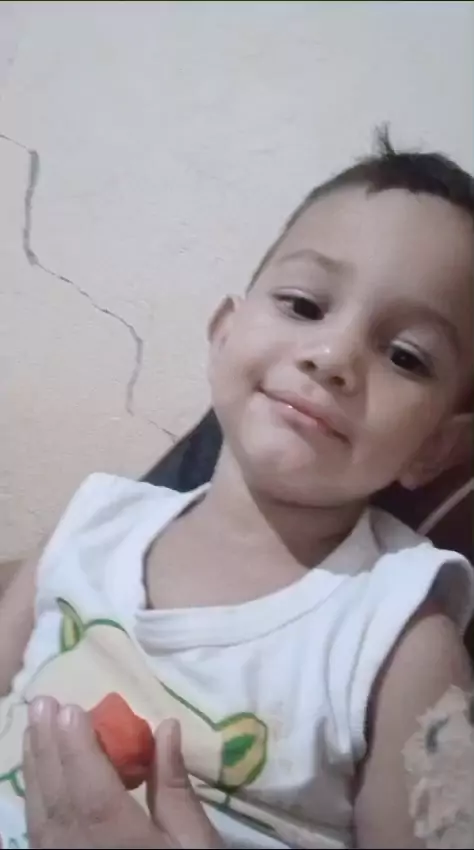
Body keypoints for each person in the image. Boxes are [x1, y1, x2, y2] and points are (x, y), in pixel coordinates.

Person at [0, 131, 473, 850]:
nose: (333, 356)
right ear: (224, 333)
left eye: (405, 355)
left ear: (436, 446)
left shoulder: (404, 641)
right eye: (305, 305)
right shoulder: (92, 521)